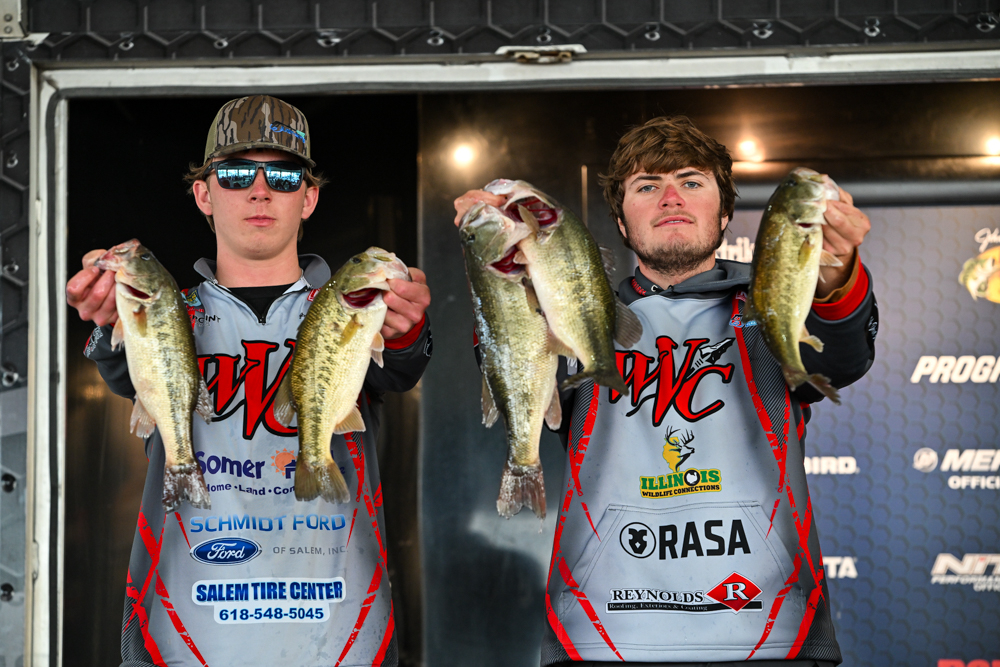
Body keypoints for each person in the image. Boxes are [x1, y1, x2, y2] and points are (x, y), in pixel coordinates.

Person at [454, 115, 876, 666]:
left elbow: (842, 359)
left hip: (770, 630)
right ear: (621, 222)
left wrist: (835, 274)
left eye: (691, 181)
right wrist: (497, 265)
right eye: (647, 186)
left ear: (725, 213)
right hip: (601, 634)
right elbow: (515, 363)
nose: (670, 197)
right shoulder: (579, 314)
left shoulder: (772, 301)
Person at [66, 95, 431, 667]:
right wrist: (113, 321)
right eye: (237, 174)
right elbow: (125, 373)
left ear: (308, 198)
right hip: (188, 634)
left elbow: (402, 367)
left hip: (339, 635)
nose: (260, 191)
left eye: (283, 177)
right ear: (203, 195)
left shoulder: (356, 304)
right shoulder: (165, 309)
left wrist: (407, 330)